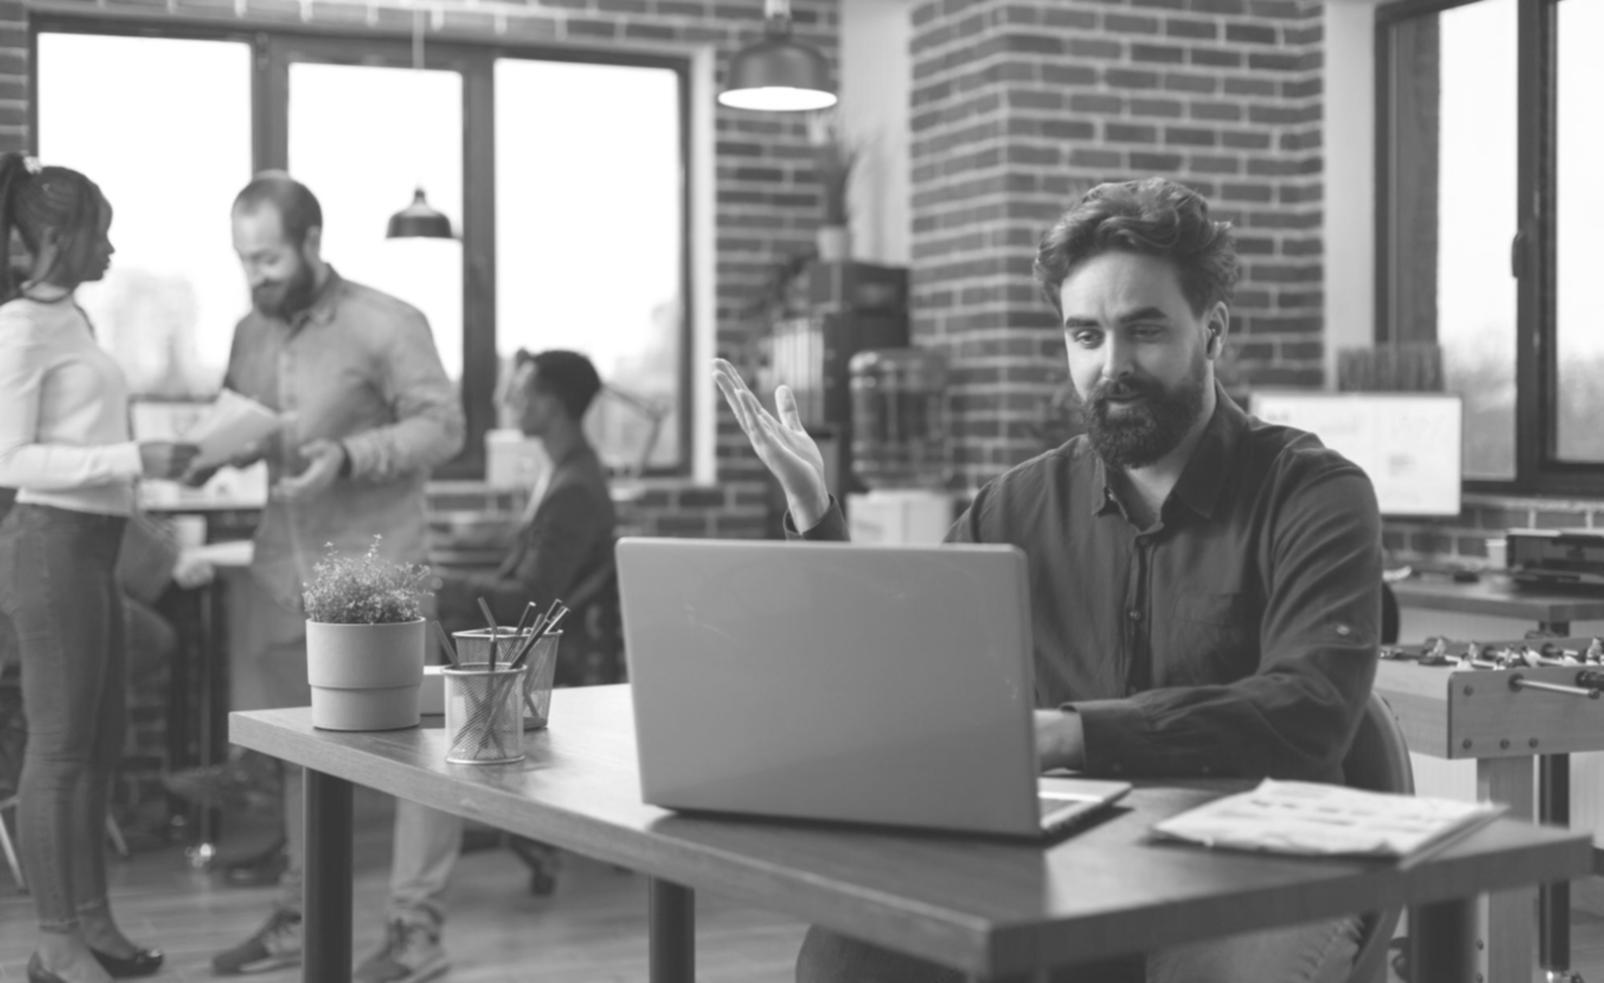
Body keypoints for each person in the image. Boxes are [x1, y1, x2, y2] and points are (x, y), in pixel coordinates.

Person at [713, 177, 1383, 983]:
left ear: (1213, 331)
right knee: (848, 955)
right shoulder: (1017, 504)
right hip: (1071, 855)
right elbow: (903, 666)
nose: (1113, 365)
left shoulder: (1314, 492)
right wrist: (815, 511)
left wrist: (1072, 732)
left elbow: (1308, 709)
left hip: (1257, 862)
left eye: (1144, 331)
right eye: (1086, 335)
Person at [200, 171, 465, 976]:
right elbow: (243, 418)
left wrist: (349, 455)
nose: (257, 276)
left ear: (312, 242)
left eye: (270, 258)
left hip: (379, 574)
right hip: (285, 569)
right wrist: (222, 445)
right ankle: (303, 918)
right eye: (246, 260)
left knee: (420, 753)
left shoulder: (386, 322)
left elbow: (444, 427)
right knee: (297, 752)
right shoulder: (251, 330)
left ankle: (417, 929)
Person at [352, 348, 618, 983]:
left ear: (550, 401)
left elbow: (536, 597)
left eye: (521, 391)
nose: (509, 400)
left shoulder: (576, 487)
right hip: (515, 648)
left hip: (534, 667)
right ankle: (411, 916)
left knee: (416, 718)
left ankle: (415, 925)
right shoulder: (561, 474)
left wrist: (439, 583)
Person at [0, 152, 198, 983]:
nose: (111, 249)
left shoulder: (72, 319)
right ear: (53, 235)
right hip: (50, 547)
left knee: (101, 743)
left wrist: (146, 464)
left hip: (96, 547)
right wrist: (130, 454)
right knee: (60, 749)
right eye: (98, 233)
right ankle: (54, 942)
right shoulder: (17, 329)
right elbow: (10, 458)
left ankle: (93, 924)